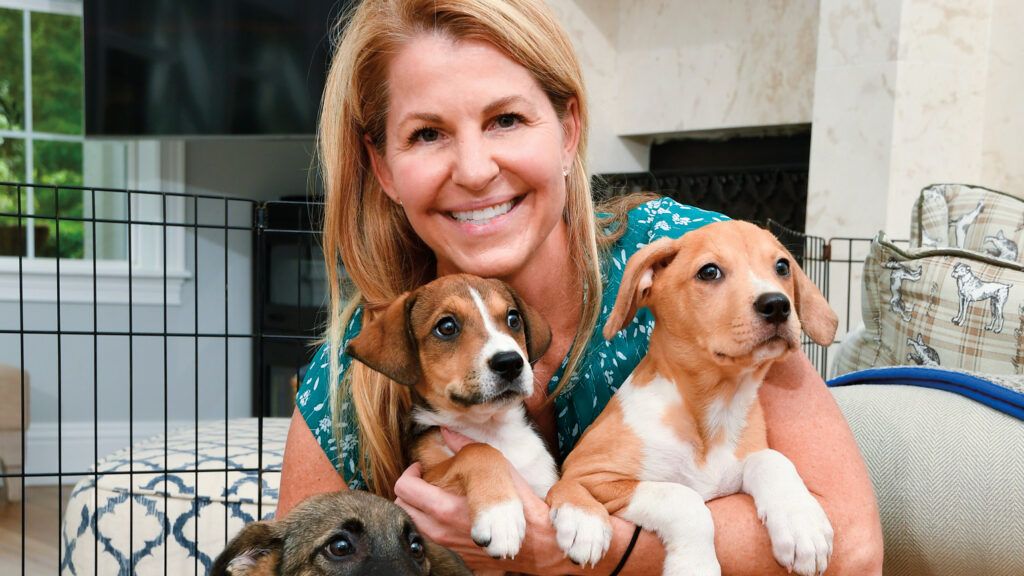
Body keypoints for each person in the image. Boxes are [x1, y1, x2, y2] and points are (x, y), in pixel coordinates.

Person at [278, 0, 884, 573]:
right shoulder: (363, 364)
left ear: (568, 131)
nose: (474, 169)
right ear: (384, 167)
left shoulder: (693, 267)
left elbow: (853, 549)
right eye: (427, 134)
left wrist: (582, 555)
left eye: (506, 119)